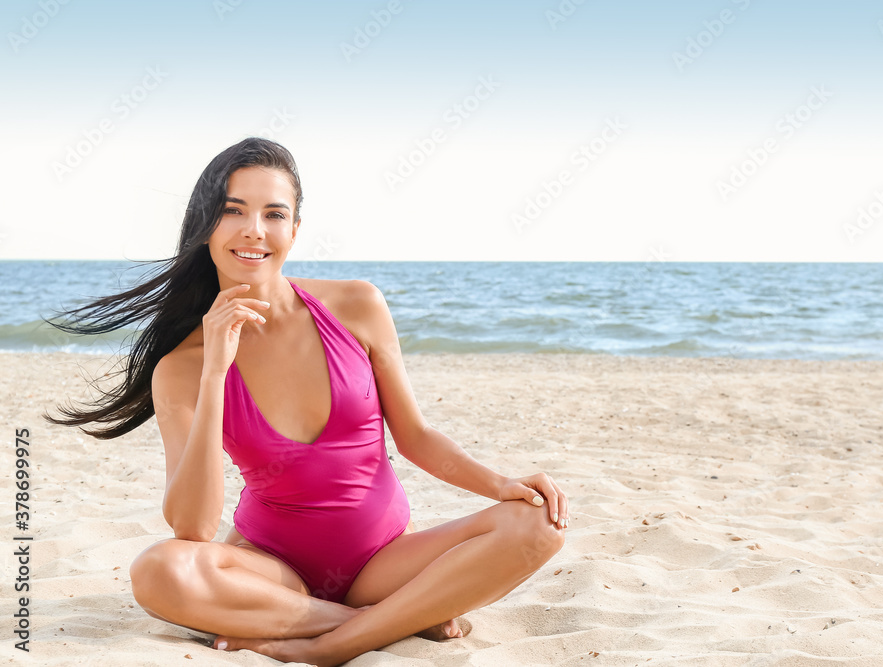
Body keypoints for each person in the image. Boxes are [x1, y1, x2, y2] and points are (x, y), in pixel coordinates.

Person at [46, 137, 568, 666]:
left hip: (387, 562)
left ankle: (330, 645)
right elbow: (194, 528)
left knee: (538, 522)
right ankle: (392, 621)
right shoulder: (182, 367)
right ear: (206, 228)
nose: (254, 229)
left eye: (274, 214)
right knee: (157, 570)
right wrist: (214, 374)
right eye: (234, 212)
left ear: (294, 230)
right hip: (274, 575)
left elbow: (416, 437)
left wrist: (500, 484)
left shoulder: (356, 305)